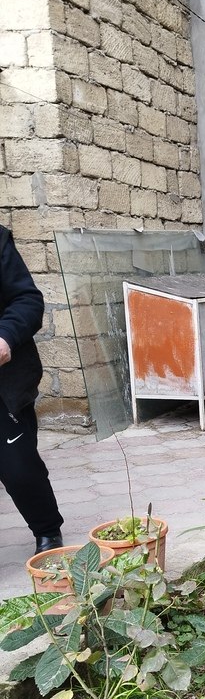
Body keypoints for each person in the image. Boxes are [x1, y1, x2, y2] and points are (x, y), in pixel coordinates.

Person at [0, 224, 64, 555]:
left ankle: (47, 531)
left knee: (19, 467)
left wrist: (6, 337)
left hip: (3, 381)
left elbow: (27, 300)